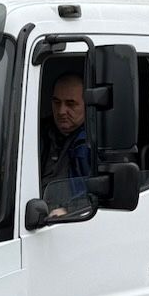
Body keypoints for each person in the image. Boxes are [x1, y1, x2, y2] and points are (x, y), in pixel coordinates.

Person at [40, 73, 93, 213]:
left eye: (71, 104)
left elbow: (105, 196)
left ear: (87, 104)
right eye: (57, 103)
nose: (61, 111)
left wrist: (67, 210)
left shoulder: (95, 144)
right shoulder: (36, 132)